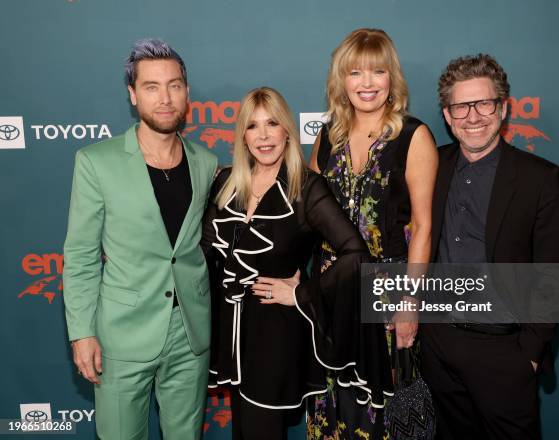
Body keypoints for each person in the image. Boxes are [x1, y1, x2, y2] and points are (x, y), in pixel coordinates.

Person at [63, 38, 217, 439]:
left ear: (186, 91)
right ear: (133, 95)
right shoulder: (96, 162)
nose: (165, 98)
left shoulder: (207, 162)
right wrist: (82, 333)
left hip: (190, 334)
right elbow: (80, 256)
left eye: (174, 85)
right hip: (121, 334)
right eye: (151, 87)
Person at [202, 86, 371, 440]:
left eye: (272, 123)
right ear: (242, 135)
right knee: (243, 432)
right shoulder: (225, 182)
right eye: (253, 126)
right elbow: (203, 254)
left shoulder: (306, 188)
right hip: (231, 336)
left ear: (287, 131)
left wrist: (303, 293)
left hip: (276, 335)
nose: (263, 135)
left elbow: (355, 254)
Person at [420, 53, 559, 440]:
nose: (473, 116)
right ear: (447, 113)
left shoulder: (542, 179)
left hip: (503, 349)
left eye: (484, 103)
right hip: (436, 345)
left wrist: (529, 354)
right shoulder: (429, 166)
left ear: (503, 108)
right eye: (461, 106)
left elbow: (556, 274)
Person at [307, 28, 438, 439]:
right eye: (355, 72)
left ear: (391, 79)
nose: (366, 83)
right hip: (330, 293)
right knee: (333, 402)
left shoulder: (413, 137)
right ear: (341, 80)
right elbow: (308, 217)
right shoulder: (327, 137)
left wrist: (410, 302)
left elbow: (423, 227)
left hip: (387, 296)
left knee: (387, 409)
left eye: (377, 72)